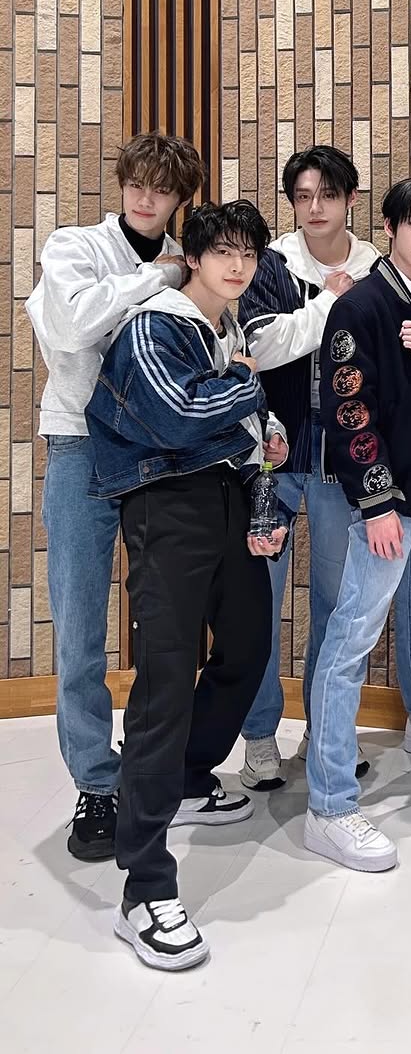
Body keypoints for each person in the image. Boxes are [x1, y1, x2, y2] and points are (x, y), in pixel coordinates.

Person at [85, 200, 288, 971]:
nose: (237, 265)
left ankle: (190, 775)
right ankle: (143, 889)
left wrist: (259, 430)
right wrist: (249, 391)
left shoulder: (223, 329)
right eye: (222, 252)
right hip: (165, 505)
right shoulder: (157, 325)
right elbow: (176, 416)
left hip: (223, 499)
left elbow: (234, 427)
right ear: (193, 258)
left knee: (249, 643)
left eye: (248, 254)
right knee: (165, 682)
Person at [25, 131, 203, 862]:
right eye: (136, 183)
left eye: (161, 189)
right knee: (77, 624)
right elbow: (70, 327)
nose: (144, 198)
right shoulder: (76, 247)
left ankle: (155, 766)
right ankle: (96, 782)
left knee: (168, 621)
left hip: (159, 452)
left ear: (179, 197)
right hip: (79, 445)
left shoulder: (187, 262)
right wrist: (153, 280)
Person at [304, 177, 411, 872]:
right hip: (386, 496)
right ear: (392, 228)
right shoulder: (361, 304)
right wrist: (374, 503)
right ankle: (329, 804)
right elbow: (348, 411)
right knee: (351, 637)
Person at [238, 144, 379, 790]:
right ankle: (259, 735)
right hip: (274, 453)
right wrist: (324, 304)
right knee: (259, 603)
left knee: (335, 605)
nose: (315, 207)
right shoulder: (272, 263)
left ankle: (328, 732)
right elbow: (262, 346)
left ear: (351, 199)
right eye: (302, 196)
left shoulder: (376, 268)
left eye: (327, 194)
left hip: (343, 459)